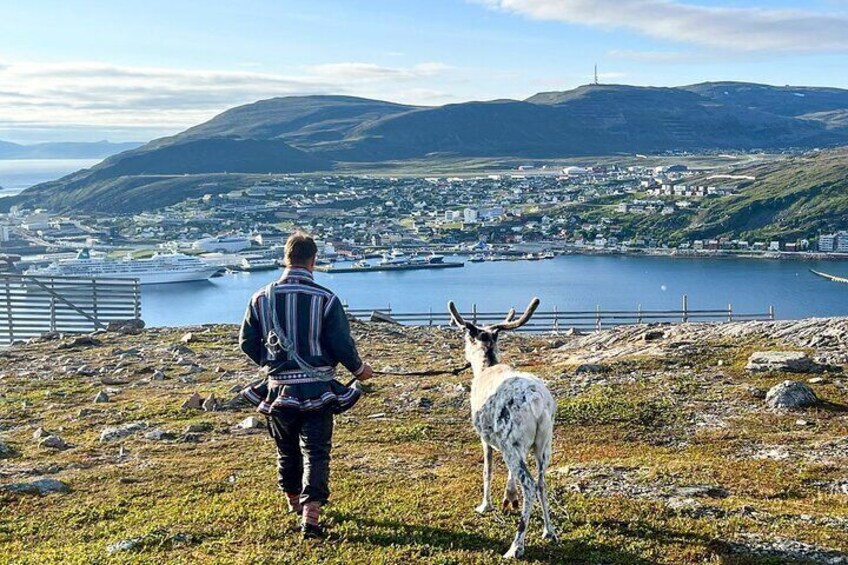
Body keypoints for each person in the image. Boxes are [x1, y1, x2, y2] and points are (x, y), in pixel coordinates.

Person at [238, 232, 374, 538]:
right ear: (313, 260)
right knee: (316, 451)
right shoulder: (325, 299)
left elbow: (246, 342)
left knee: (286, 451)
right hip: (317, 390)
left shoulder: (260, 297)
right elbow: (341, 344)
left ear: (286, 258)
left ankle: (293, 502)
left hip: (277, 390)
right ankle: (311, 517)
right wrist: (359, 369)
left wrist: (271, 361)